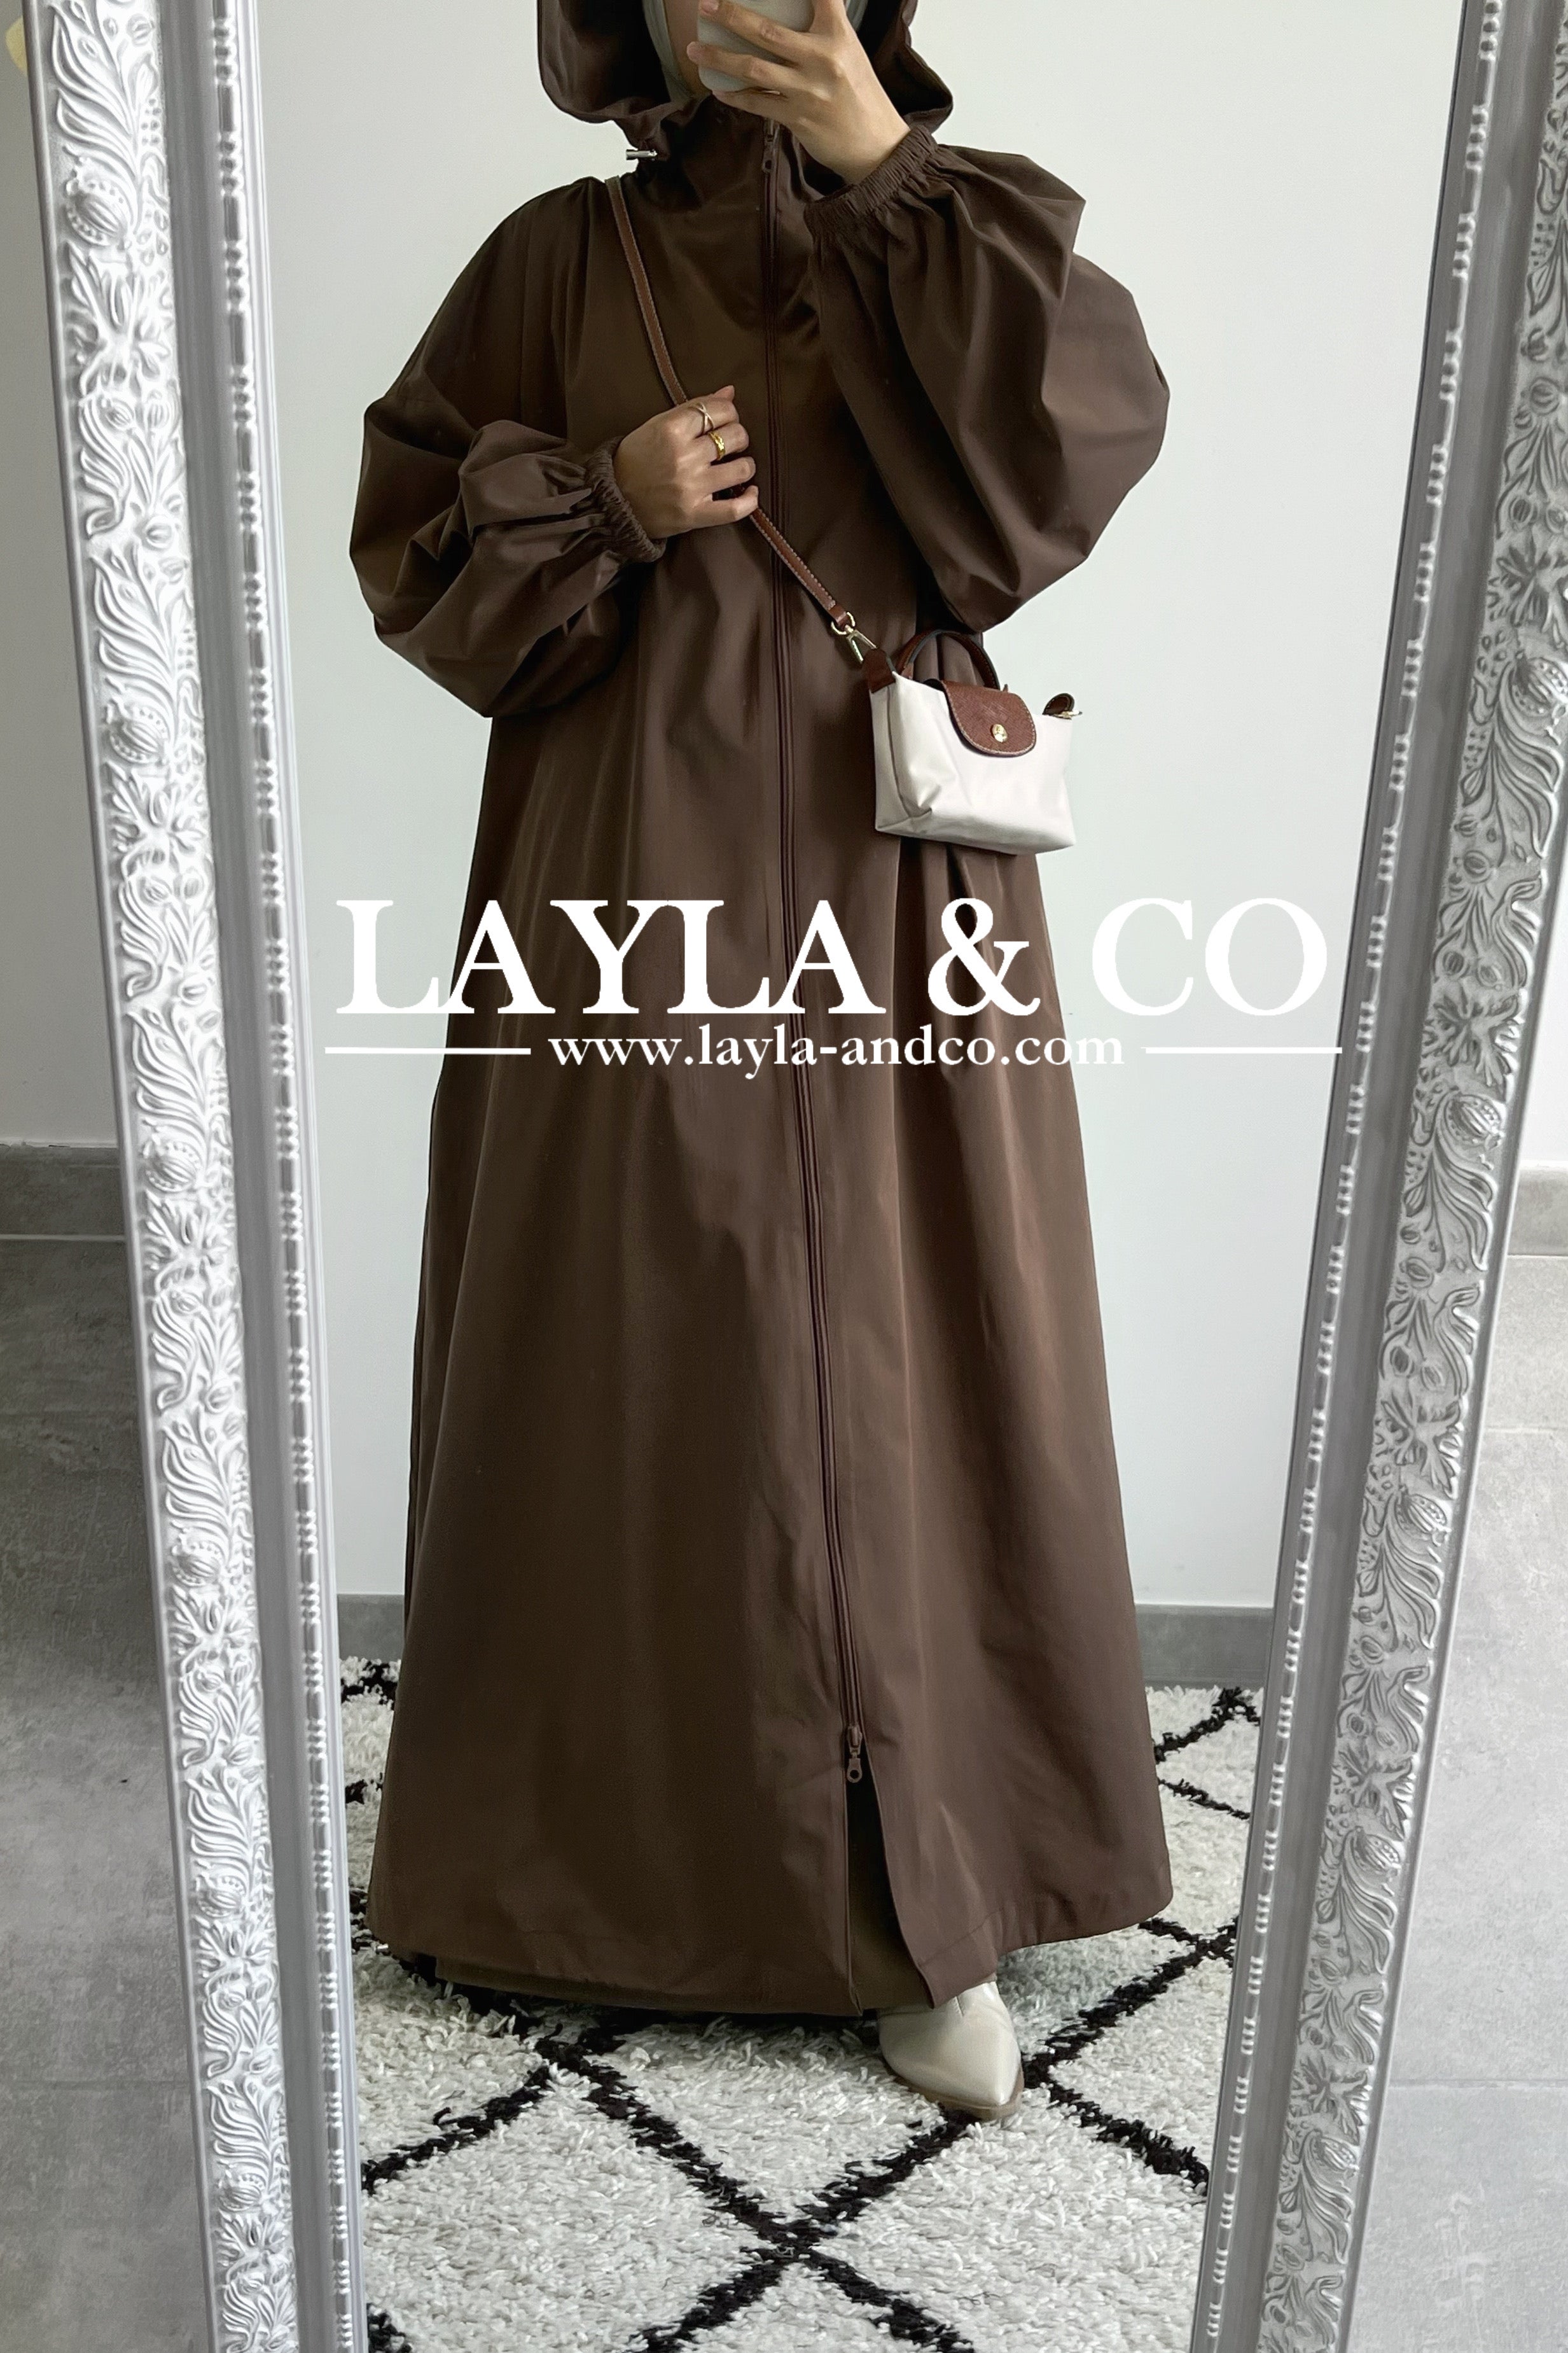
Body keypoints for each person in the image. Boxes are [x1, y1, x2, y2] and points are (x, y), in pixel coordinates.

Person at [350, 0, 1172, 2122]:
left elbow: (1051, 484)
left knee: (904, 1334)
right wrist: (606, 500)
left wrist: (892, 172)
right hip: (626, 850)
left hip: (895, 871)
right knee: (639, 1330)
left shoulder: (959, 232)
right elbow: (417, 554)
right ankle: (583, 1871)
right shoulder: (555, 261)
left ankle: (930, 1894)